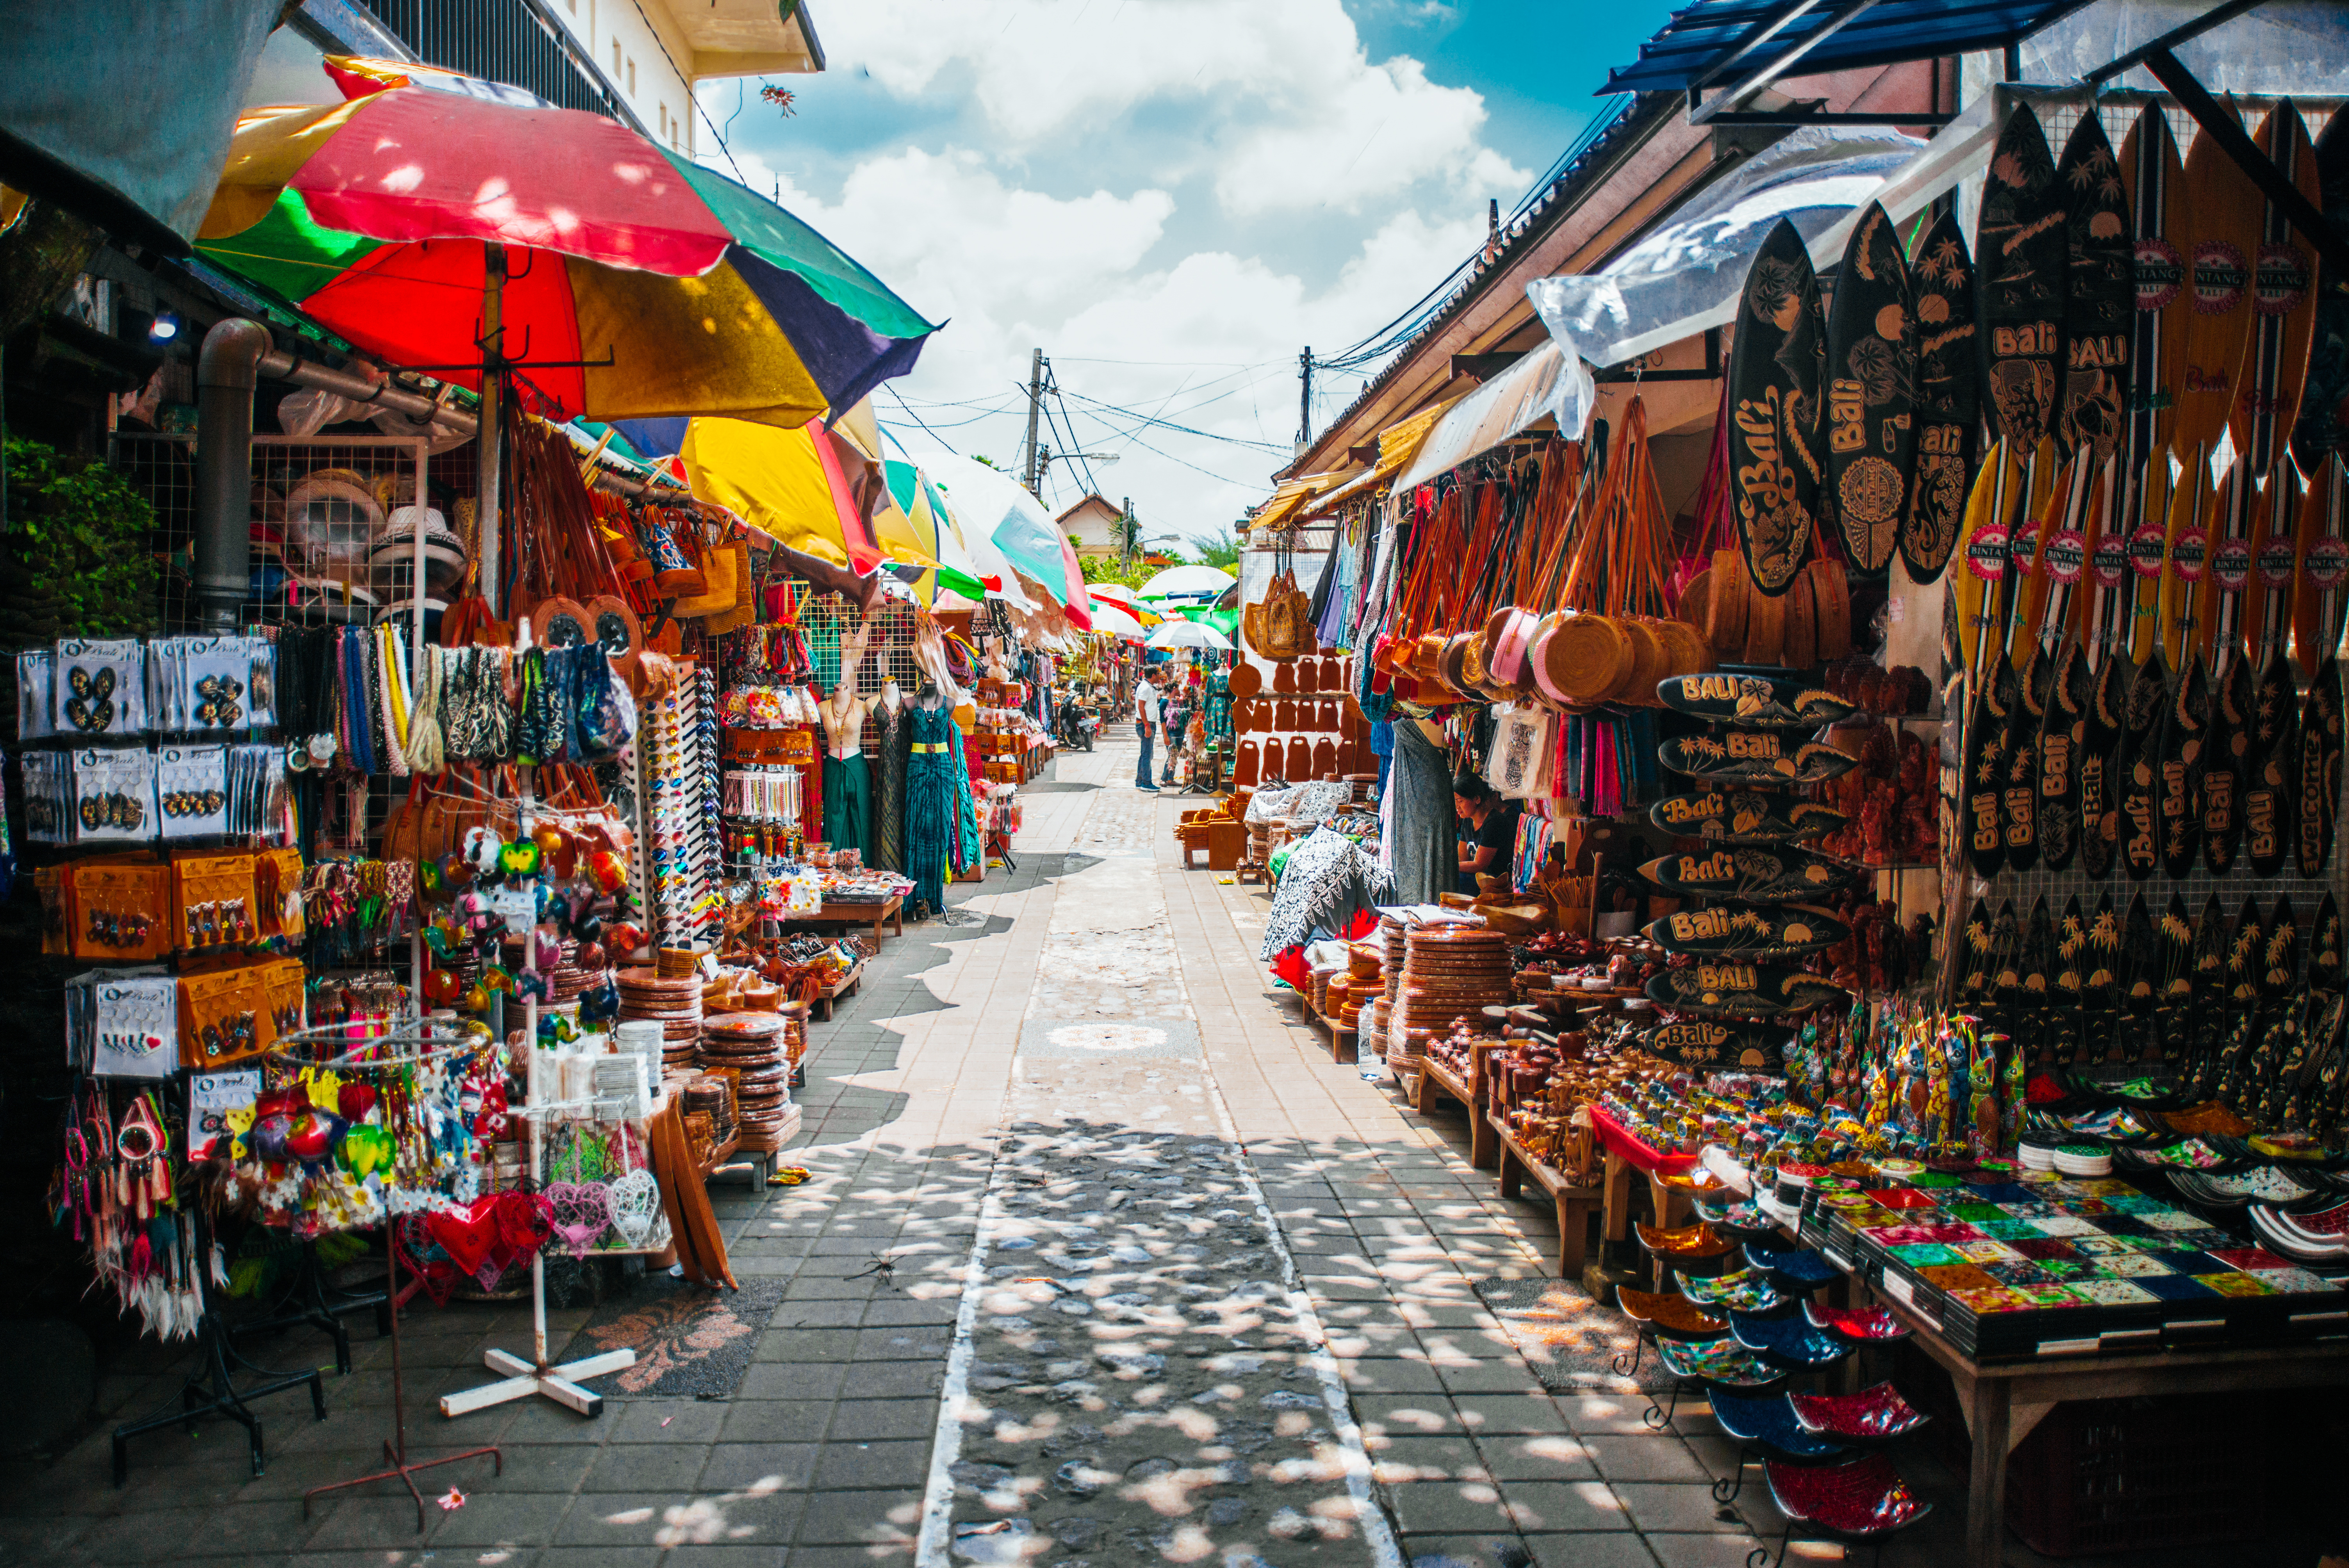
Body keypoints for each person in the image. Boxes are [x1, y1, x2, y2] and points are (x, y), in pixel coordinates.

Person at [1454, 771, 1520, 891]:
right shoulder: (1468, 821)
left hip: (1496, 882)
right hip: (1478, 878)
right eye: (1455, 802)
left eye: (1461, 801)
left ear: (1477, 799)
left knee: (1455, 879)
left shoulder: (1495, 822)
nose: (1457, 806)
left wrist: (1448, 866)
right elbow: (1461, 858)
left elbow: (1479, 865)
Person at [1134, 670, 1162, 791]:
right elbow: (1141, 707)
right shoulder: (1145, 688)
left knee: (1145, 753)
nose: (1160, 676)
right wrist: (1147, 725)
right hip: (1146, 724)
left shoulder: (1149, 687)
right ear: (1154, 675)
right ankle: (1146, 783)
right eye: (1159, 674)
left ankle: (1140, 780)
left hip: (1147, 723)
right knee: (1147, 754)